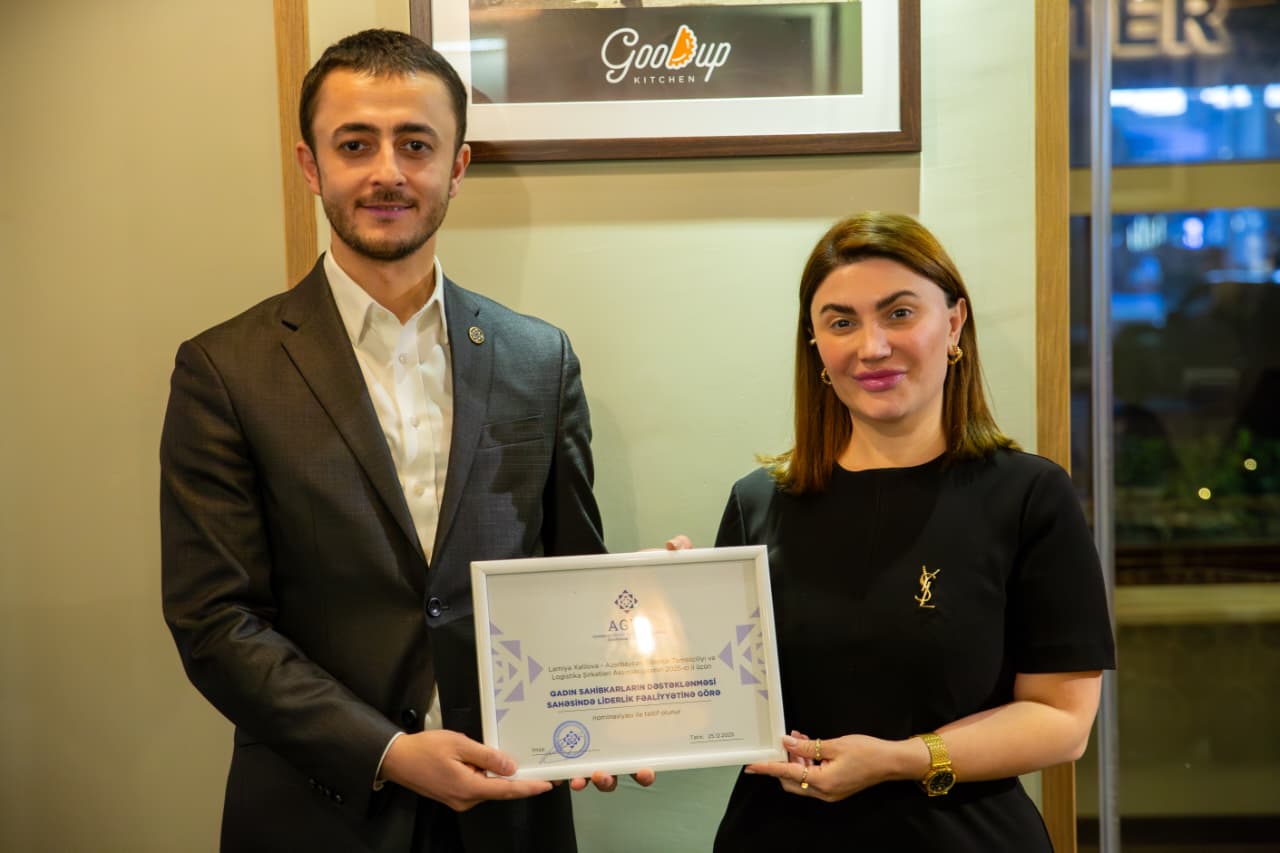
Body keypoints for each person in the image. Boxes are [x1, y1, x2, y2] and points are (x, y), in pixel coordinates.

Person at [160, 29, 649, 853]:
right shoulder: (224, 369)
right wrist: (385, 751)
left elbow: (573, 580)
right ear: (311, 165)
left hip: (511, 811)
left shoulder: (541, 359)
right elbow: (215, 621)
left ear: (457, 167)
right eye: (355, 144)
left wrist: (641, 647)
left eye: (416, 145)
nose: (387, 172)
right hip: (318, 815)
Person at [712, 212, 1116, 851]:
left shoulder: (1029, 496)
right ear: (814, 344)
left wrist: (903, 759)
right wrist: (664, 614)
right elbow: (720, 701)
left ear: (954, 323)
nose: (872, 347)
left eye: (899, 313)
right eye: (841, 322)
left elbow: (1062, 720)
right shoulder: (757, 503)